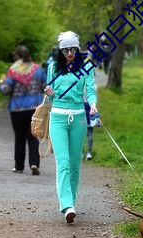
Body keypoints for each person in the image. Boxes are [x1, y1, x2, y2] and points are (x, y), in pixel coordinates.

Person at [44, 31, 97, 223]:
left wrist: (92, 104)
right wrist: (49, 92)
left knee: (75, 164)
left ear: (77, 48)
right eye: (65, 50)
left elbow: (90, 89)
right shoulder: (52, 67)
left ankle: (71, 201)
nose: (69, 53)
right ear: (60, 50)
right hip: (57, 117)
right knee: (63, 163)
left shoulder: (86, 67)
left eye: (72, 49)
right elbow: (50, 96)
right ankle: (66, 205)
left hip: (79, 118)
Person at [0, 45, 47, 175]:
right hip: (34, 109)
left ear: (17, 57)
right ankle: (34, 163)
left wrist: (1, 83)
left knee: (19, 138)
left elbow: (6, 90)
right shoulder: (38, 70)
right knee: (33, 137)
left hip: (17, 109)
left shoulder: (13, 71)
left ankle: (19, 166)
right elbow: (45, 87)